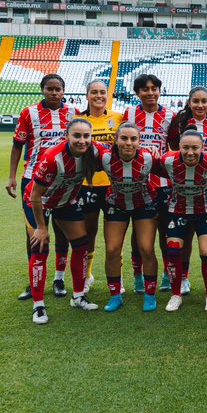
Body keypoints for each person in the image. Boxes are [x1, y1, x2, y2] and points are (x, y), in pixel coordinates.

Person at [25, 118, 107, 324]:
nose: (82, 140)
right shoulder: (53, 158)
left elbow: (116, 154)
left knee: (81, 245)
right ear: (66, 136)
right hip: (37, 203)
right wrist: (42, 227)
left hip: (66, 201)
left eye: (86, 136)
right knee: (40, 248)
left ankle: (78, 296)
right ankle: (38, 306)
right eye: (76, 136)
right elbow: (35, 194)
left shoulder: (94, 150)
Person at [8, 73, 76, 301]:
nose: (54, 93)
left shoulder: (73, 113)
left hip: (64, 181)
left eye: (58, 89)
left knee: (61, 231)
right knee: (35, 234)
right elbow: (18, 145)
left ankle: (59, 278)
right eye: (50, 88)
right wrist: (12, 176)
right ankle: (34, 282)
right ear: (43, 90)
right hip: (34, 180)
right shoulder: (29, 113)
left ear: (64, 91)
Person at [153, 130, 207, 312]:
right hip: (178, 210)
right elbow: (151, 164)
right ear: (179, 148)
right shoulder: (168, 160)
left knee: (206, 251)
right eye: (185, 147)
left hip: (205, 210)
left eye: (195, 148)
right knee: (173, 250)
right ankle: (176, 295)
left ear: (202, 148)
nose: (190, 152)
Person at [169, 87, 207, 294]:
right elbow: (172, 144)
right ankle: (183, 277)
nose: (200, 105)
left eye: (204, 101)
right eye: (196, 101)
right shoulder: (180, 122)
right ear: (189, 102)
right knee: (185, 233)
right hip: (184, 185)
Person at [98, 122, 160, 313]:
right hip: (116, 205)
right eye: (123, 138)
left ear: (139, 142)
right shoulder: (104, 157)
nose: (128, 143)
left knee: (147, 249)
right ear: (116, 140)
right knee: (112, 249)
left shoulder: (149, 158)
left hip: (145, 204)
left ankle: (150, 295)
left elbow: (172, 166)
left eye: (133, 139)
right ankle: (115, 296)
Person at [123, 74, 176, 293]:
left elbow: (174, 147)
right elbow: (122, 141)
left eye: (154, 88)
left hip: (163, 183)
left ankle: (166, 274)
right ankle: (138, 276)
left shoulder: (170, 115)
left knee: (165, 231)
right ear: (137, 93)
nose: (150, 92)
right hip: (137, 183)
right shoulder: (129, 113)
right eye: (145, 89)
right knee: (138, 234)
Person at [77, 80, 125, 297]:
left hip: (112, 185)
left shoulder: (118, 118)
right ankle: (87, 275)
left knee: (114, 237)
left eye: (102, 92)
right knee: (89, 234)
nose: (98, 96)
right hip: (87, 185)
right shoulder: (79, 120)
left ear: (108, 95)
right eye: (94, 92)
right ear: (87, 95)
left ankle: (118, 277)